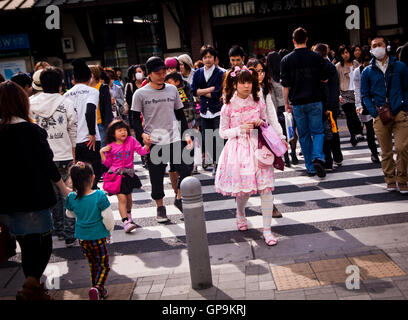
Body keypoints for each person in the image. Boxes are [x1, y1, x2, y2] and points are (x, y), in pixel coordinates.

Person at [0, 81, 71, 300]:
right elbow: (47, 164)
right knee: (42, 243)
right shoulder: (31, 130)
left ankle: (34, 286)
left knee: (25, 242)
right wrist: (64, 188)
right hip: (33, 196)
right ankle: (31, 285)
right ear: (22, 102)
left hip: (5, 199)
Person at [215, 67, 284, 246]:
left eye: (249, 82)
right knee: (243, 191)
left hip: (260, 149)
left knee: (266, 189)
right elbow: (222, 132)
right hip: (238, 150)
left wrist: (261, 123)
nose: (246, 86)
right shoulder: (227, 106)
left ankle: (267, 230)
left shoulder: (259, 101)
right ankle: (241, 213)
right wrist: (239, 129)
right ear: (235, 84)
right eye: (242, 82)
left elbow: (266, 122)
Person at [131, 56, 193, 222]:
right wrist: (142, 135)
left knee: (186, 168)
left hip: (174, 138)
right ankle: (160, 207)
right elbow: (134, 118)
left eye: (163, 71)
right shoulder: (140, 93)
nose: (161, 75)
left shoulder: (172, 90)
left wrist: (186, 134)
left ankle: (179, 197)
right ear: (149, 74)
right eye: (157, 72)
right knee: (156, 177)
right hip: (154, 142)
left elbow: (180, 114)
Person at [30, 66, 78, 247]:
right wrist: (73, 152)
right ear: (60, 84)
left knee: (52, 194)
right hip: (63, 153)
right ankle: (69, 232)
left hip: (40, 156)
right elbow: (73, 129)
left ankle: (57, 227)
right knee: (67, 192)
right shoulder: (66, 102)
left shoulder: (31, 103)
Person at [361, 36, 408, 194]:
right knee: (386, 151)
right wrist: (374, 112)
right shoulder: (367, 71)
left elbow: (406, 88)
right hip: (380, 115)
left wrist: (404, 107)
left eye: (380, 44)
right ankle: (390, 179)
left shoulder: (400, 66)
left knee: (402, 147)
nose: (377, 48)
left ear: (386, 46)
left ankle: (402, 179)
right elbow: (365, 95)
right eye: (374, 46)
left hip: (399, 113)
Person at [280, 27, 328, 178]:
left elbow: (285, 86)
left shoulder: (286, 60)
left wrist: (286, 103)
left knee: (304, 135)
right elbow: (325, 78)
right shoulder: (317, 57)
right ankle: (318, 157)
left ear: (293, 41)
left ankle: (310, 167)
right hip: (315, 100)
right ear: (307, 39)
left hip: (297, 103)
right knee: (318, 131)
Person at [65, 162, 114, 300]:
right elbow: (108, 218)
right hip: (98, 236)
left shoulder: (71, 197)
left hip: (82, 237)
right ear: (92, 178)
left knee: (93, 264)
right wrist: (110, 230)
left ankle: (97, 290)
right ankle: (97, 288)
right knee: (103, 266)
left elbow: (69, 213)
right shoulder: (99, 196)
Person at [247, 59, 287, 218]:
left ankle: (270, 205)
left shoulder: (264, 90)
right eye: (257, 71)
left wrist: (281, 136)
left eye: (262, 71)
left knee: (265, 170)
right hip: (247, 136)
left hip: (263, 135)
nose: (260, 74)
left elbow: (272, 115)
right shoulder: (244, 91)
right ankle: (241, 207)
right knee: (249, 173)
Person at [100, 120, 150, 233]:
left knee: (129, 198)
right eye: (120, 130)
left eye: (124, 130)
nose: (123, 132)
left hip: (128, 175)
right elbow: (107, 163)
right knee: (122, 198)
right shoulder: (110, 146)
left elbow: (141, 152)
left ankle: (129, 214)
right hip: (116, 177)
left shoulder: (131, 141)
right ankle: (125, 222)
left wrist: (147, 146)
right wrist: (102, 153)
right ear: (113, 133)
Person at [64, 59, 103, 189]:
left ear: (74, 78)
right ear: (90, 76)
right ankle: (91, 195)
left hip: (75, 141)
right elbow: (90, 110)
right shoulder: (92, 91)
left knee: (79, 172)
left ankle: (82, 195)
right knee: (94, 170)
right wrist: (92, 133)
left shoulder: (67, 94)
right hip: (89, 139)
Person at [191, 45, 225, 175]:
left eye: (210, 57)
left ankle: (218, 164)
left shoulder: (220, 73)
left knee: (218, 138)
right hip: (204, 112)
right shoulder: (197, 73)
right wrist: (209, 89)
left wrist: (202, 92)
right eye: (205, 57)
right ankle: (213, 161)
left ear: (214, 58)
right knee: (207, 139)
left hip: (217, 110)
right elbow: (194, 91)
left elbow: (217, 93)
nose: (208, 59)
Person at [314, 44, 345, 171]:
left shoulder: (325, 67)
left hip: (327, 105)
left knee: (328, 133)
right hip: (331, 104)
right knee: (333, 131)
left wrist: (327, 107)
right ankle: (337, 157)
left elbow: (330, 89)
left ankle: (330, 161)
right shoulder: (329, 66)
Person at [266, 51, 299, 166]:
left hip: (279, 109)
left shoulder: (270, 79)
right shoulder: (285, 73)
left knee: (283, 133)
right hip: (290, 106)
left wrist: (273, 114)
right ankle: (293, 153)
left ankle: (286, 158)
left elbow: (273, 98)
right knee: (292, 131)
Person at [353, 47, 381, 164]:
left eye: (369, 59)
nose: (367, 63)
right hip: (365, 104)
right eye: (364, 60)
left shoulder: (377, 69)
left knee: (381, 129)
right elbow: (357, 90)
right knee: (370, 130)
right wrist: (358, 105)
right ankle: (374, 153)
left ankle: (383, 151)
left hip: (379, 103)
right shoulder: (357, 72)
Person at [336, 45, 364, 147]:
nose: (345, 55)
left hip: (356, 92)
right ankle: (355, 134)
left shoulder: (355, 63)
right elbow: (336, 81)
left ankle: (357, 133)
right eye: (343, 53)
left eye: (347, 52)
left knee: (356, 114)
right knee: (350, 115)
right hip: (344, 93)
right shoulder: (338, 66)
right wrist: (339, 94)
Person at [89, 65, 114, 147]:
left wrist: (108, 123)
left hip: (101, 123)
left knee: (102, 146)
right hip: (89, 124)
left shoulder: (103, 87)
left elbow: (107, 107)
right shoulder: (85, 89)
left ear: (94, 74)